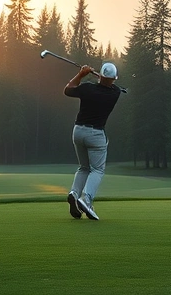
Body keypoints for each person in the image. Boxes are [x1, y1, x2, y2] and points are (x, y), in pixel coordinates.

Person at [64, 61, 122, 221]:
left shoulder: (87, 88)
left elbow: (68, 89)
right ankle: (86, 199)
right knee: (97, 170)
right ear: (113, 79)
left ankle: (74, 193)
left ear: (100, 76)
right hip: (96, 135)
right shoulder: (115, 93)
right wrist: (104, 79)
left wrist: (81, 74)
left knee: (83, 167)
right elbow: (111, 85)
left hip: (78, 131)